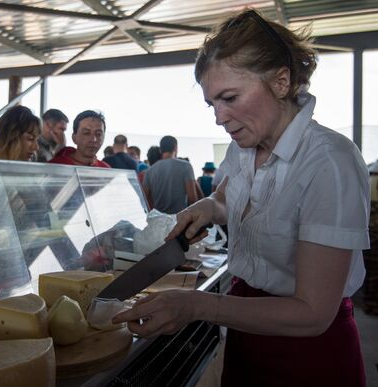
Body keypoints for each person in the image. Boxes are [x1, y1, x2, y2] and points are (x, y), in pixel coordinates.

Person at [114, 9, 369, 387]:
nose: (219, 117)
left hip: (307, 353)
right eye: (212, 103)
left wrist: (198, 305)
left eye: (229, 97)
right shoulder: (244, 147)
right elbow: (228, 202)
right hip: (244, 331)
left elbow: (313, 313)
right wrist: (207, 207)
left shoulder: (330, 161)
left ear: (281, 82)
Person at [142, 135, 199, 214]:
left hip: (159, 219)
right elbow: (192, 198)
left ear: (161, 150)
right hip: (180, 219)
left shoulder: (150, 171)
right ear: (175, 147)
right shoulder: (185, 166)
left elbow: (144, 199)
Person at [363, 160, 378, 315]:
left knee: (371, 271)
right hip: (374, 231)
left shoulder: (369, 173)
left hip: (369, 231)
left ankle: (370, 303)